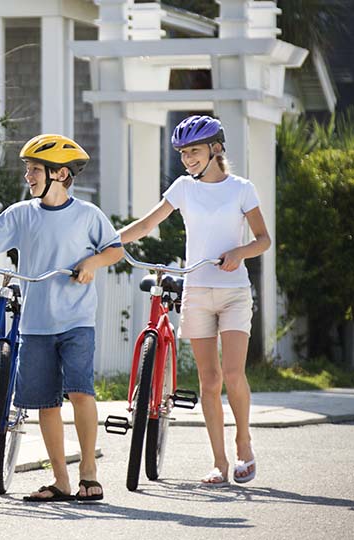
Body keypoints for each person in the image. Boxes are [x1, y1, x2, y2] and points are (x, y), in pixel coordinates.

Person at [0, 134, 123, 502]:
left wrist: (92, 263)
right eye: (28, 169)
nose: (28, 176)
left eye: (35, 170)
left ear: (60, 174)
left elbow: (113, 249)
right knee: (45, 402)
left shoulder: (87, 215)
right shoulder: (21, 214)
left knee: (80, 391)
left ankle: (89, 473)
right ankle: (61, 480)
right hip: (36, 323)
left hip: (77, 319)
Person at [118, 115, 271, 485]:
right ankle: (219, 462)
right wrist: (107, 242)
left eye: (194, 151)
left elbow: (263, 239)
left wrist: (239, 252)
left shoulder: (241, 188)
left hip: (233, 291)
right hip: (197, 291)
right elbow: (145, 225)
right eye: (183, 153)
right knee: (209, 380)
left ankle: (243, 442)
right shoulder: (184, 188)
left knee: (233, 375)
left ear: (216, 149)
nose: (187, 159)